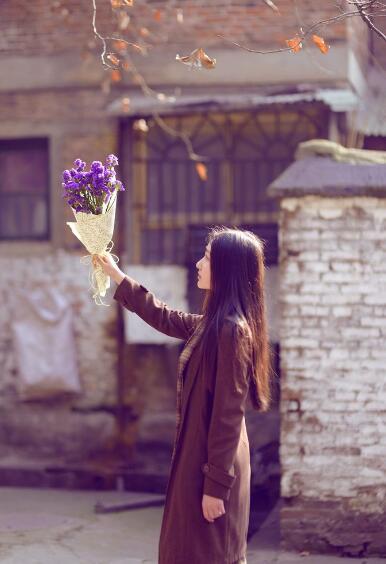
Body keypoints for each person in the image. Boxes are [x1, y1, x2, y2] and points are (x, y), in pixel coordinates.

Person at [95, 226, 272, 564]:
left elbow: (228, 414)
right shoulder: (215, 324)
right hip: (200, 458)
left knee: (208, 553)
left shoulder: (232, 331)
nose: (198, 264)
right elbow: (166, 317)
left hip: (213, 465)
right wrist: (117, 276)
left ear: (227, 268)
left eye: (206, 258)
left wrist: (216, 486)